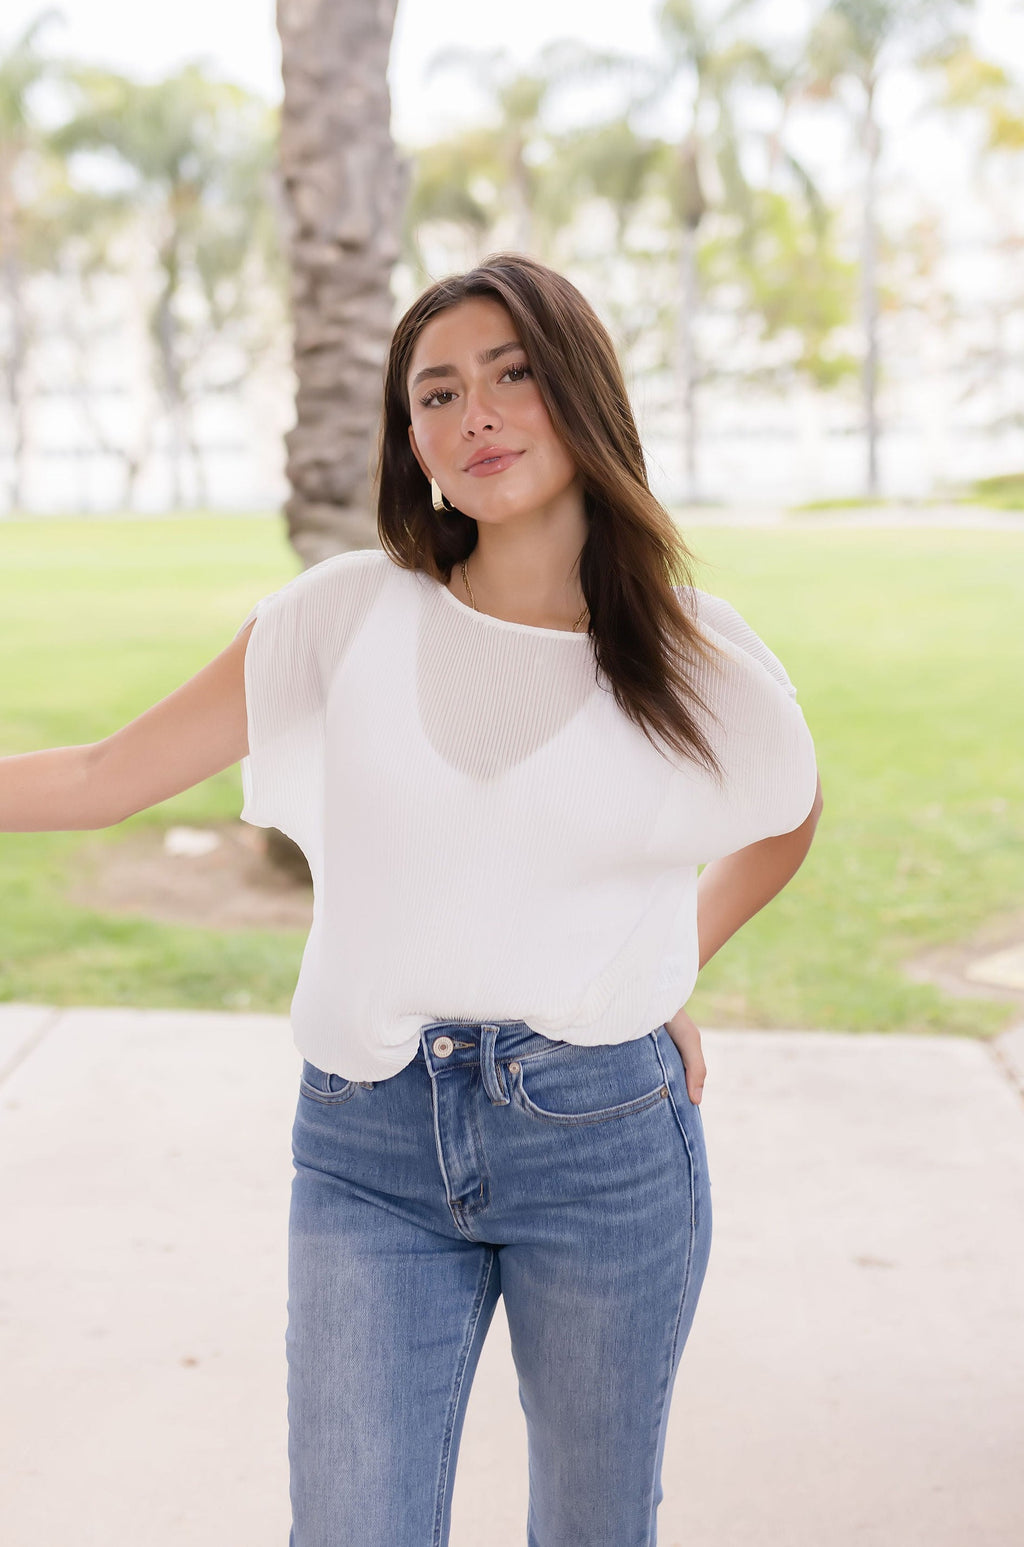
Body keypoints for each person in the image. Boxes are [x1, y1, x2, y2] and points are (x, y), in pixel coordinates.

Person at [0, 252, 822, 1546]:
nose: (475, 414)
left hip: (601, 1140)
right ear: (410, 440)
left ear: (582, 391)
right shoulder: (342, 617)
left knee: (595, 1528)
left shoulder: (686, 648)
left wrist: (666, 966)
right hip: (364, 1146)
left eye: (511, 375)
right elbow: (107, 773)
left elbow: (786, 813)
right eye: (435, 394)